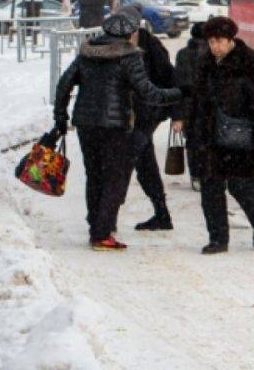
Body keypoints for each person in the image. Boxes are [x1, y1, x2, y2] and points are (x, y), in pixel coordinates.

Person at [53, 13, 184, 251]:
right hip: (115, 127)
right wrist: (179, 93)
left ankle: (96, 225)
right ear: (131, 33)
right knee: (115, 178)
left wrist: (60, 116)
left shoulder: (87, 53)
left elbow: (64, 84)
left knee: (94, 176)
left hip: (86, 124)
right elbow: (148, 92)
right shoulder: (129, 56)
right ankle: (102, 234)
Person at [189, 16, 254, 254]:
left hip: (239, 136)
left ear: (230, 40)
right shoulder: (205, 63)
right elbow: (196, 99)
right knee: (210, 188)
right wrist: (193, 129)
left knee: (240, 186)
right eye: (211, 42)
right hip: (209, 136)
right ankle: (218, 238)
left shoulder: (245, 62)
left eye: (219, 41)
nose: (215, 46)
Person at [119, 4, 180, 231]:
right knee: (144, 164)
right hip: (127, 114)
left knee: (126, 159)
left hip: (148, 113)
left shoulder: (152, 46)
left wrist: (177, 114)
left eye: (131, 28)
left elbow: (170, 79)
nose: (128, 33)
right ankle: (162, 214)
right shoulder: (116, 42)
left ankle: (109, 214)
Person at [173, 22, 208, 191]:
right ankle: (210, 175)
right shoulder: (213, 53)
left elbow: (178, 85)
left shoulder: (182, 54)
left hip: (188, 107)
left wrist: (177, 115)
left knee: (193, 144)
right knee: (210, 143)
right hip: (209, 107)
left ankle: (196, 176)